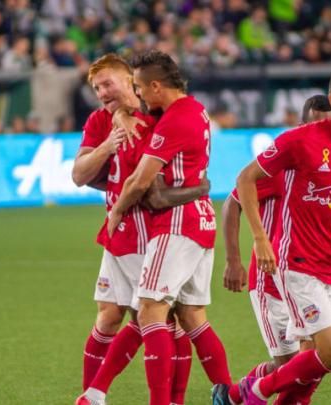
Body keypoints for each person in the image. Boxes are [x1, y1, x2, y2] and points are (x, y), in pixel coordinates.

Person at [214, 69, 331, 405]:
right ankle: (252, 392)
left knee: (309, 363)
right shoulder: (298, 143)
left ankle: (238, 393)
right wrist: (256, 242)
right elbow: (242, 182)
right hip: (294, 264)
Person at [75, 53, 207, 405]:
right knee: (108, 315)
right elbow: (79, 175)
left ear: (130, 82)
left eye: (108, 84)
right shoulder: (99, 120)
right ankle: (91, 395)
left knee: (161, 317)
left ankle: (163, 399)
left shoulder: (159, 114)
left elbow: (159, 183)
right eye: (96, 88)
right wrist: (109, 141)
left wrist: (200, 189)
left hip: (150, 232)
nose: (102, 93)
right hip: (117, 235)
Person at [103, 50, 232, 405]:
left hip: (177, 223)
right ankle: (229, 394)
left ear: (157, 86)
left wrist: (115, 214)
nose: (140, 95)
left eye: (141, 88)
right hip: (200, 218)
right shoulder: (197, 109)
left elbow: (139, 181)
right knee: (192, 316)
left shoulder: (176, 120)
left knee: (149, 310)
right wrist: (122, 114)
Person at [216, 95, 331, 405]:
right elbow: (231, 204)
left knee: (312, 362)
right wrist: (233, 261)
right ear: (301, 126)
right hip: (271, 281)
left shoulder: (330, 167)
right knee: (289, 366)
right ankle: (237, 393)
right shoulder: (278, 166)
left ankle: (239, 391)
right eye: (315, 125)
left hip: (307, 276)